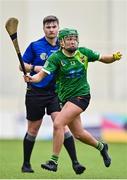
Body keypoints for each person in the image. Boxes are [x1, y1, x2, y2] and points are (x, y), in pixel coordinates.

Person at [24, 28, 122, 172]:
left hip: (82, 96)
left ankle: (53, 161)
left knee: (58, 123)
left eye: (74, 38)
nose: (72, 41)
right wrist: (31, 78)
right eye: (69, 39)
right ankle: (102, 147)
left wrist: (113, 57)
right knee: (78, 134)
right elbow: (41, 75)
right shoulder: (55, 58)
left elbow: (102, 58)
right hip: (65, 99)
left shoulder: (83, 52)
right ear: (62, 42)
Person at [20, 17, 85, 174]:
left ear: (58, 28)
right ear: (44, 29)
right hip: (35, 92)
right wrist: (37, 68)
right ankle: (26, 164)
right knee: (33, 129)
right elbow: (22, 66)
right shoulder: (35, 46)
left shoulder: (64, 46)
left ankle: (76, 163)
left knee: (61, 124)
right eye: (48, 27)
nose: (51, 29)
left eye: (54, 26)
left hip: (55, 93)